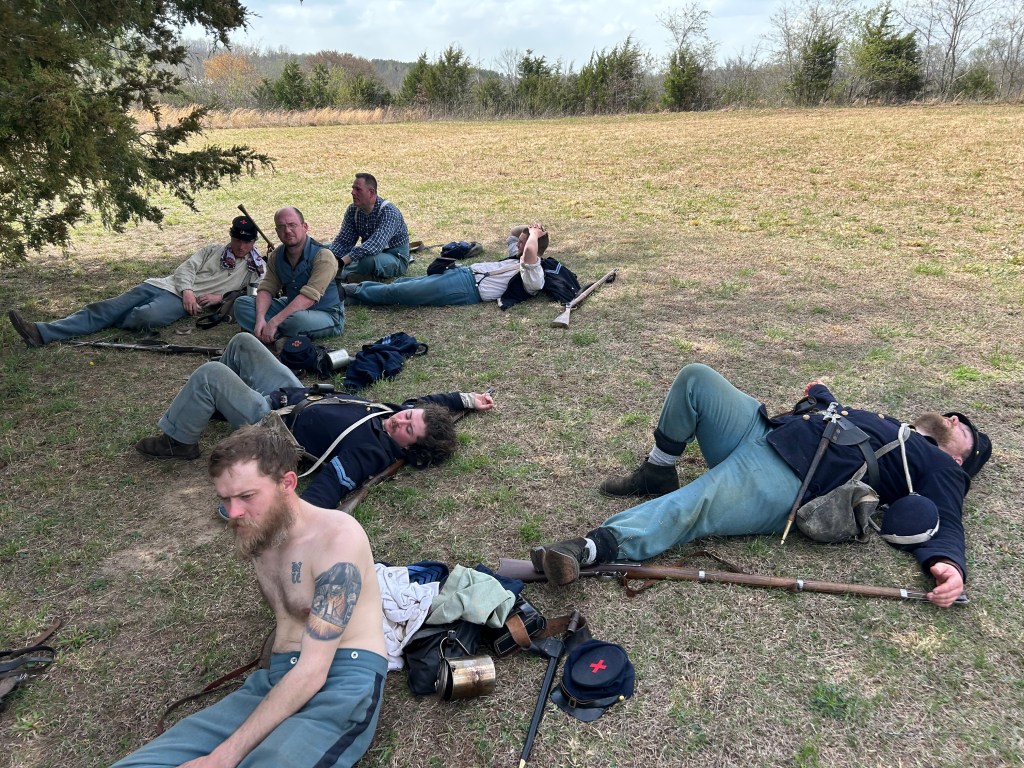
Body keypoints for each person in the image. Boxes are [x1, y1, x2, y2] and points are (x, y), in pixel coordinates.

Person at [532, 363, 992, 608]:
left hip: (793, 478)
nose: (954, 419)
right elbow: (842, 422)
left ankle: (593, 547)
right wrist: (822, 395)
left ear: (960, 459)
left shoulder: (940, 466)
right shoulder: (899, 427)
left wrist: (948, 564)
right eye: (956, 416)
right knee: (697, 379)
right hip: (768, 434)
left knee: (698, 500)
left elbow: (947, 517)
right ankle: (658, 469)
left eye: (964, 429)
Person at [111, 425, 389, 768]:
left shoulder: (338, 539)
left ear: (287, 483)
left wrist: (223, 756)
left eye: (246, 496)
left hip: (342, 679)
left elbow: (314, 670)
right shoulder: (260, 534)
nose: (233, 512)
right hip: (275, 680)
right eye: (225, 499)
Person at [135, 333, 495, 508]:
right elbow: (430, 402)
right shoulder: (396, 413)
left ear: (409, 448)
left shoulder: (371, 451)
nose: (402, 419)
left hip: (271, 423)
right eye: (409, 415)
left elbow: (331, 486)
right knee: (243, 342)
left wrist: (301, 518)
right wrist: (469, 399)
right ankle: (215, 405)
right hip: (293, 393)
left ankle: (178, 441)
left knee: (211, 373)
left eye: (408, 429)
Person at [7, 216, 264, 347]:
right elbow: (186, 269)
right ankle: (42, 332)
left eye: (247, 241)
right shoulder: (212, 250)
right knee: (107, 307)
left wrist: (221, 298)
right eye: (237, 240)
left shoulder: (256, 267)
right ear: (231, 237)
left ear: (254, 242)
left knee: (145, 317)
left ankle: (105, 319)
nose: (241, 246)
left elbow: (254, 294)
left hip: (182, 303)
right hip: (166, 286)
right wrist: (186, 290)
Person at [340, 223, 550, 307]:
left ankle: (352, 290)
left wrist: (533, 235)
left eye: (523, 242)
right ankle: (354, 299)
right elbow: (513, 234)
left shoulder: (535, 275)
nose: (518, 244)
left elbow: (530, 253)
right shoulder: (518, 254)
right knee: (405, 285)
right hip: (462, 273)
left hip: (467, 288)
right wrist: (531, 228)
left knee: (404, 292)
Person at [234, 207, 344, 343]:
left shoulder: (323, 257)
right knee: (242, 304)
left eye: (292, 225)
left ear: (304, 227)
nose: (287, 231)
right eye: (281, 227)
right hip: (291, 307)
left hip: (325, 313)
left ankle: (272, 332)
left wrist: (274, 321)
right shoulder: (276, 256)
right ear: (277, 232)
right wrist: (260, 318)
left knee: (298, 320)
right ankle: (275, 333)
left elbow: (309, 297)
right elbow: (267, 287)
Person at [328, 173, 410, 282]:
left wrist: (342, 262)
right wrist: (330, 258)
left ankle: (347, 274)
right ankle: (352, 274)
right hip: (369, 253)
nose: (353, 192)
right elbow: (344, 241)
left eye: (358, 189)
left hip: (394, 256)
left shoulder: (389, 212)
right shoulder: (353, 210)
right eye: (353, 188)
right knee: (326, 250)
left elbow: (375, 245)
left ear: (371, 192)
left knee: (367, 261)